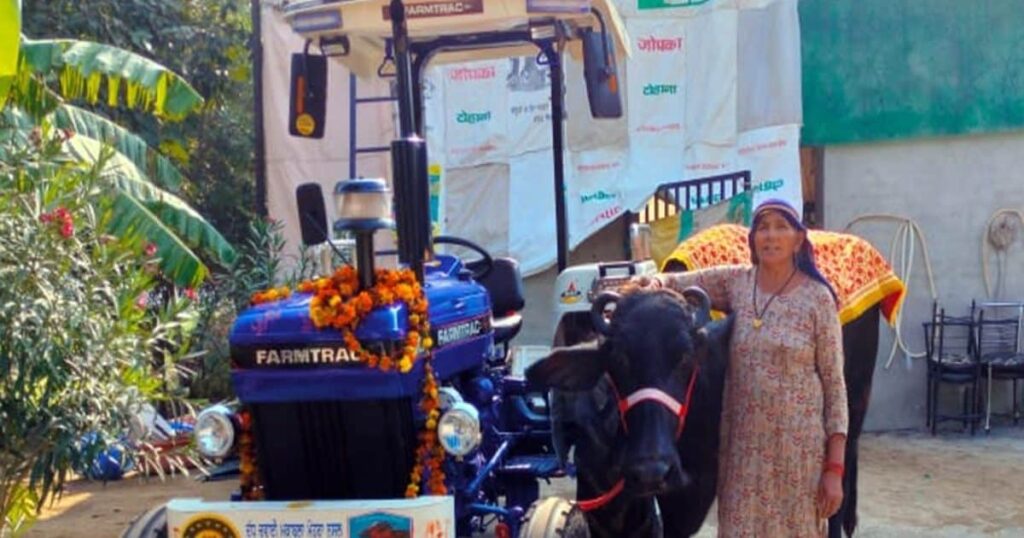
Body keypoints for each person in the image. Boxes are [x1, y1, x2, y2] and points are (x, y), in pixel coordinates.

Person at [635, 198, 847, 537]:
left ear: (798, 239)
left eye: (781, 227)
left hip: (798, 454)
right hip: (743, 455)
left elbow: (835, 388)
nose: (770, 236)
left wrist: (834, 469)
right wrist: (654, 284)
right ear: (752, 240)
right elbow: (681, 282)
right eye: (762, 228)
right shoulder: (737, 283)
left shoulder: (818, 300)